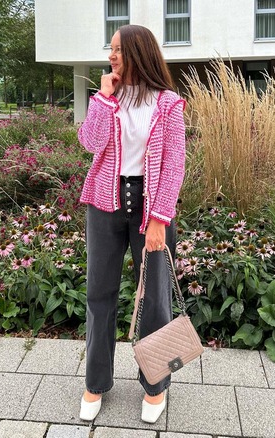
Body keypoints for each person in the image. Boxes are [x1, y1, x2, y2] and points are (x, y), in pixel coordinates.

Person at [76, 24, 187, 424]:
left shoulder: (168, 103)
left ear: (139, 52)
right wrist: (104, 98)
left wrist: (159, 217)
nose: (112, 55)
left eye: (119, 50)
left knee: (155, 298)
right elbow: (90, 142)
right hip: (104, 202)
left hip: (151, 206)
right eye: (111, 49)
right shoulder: (108, 98)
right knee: (98, 294)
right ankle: (95, 382)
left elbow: (174, 164)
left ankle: (155, 386)